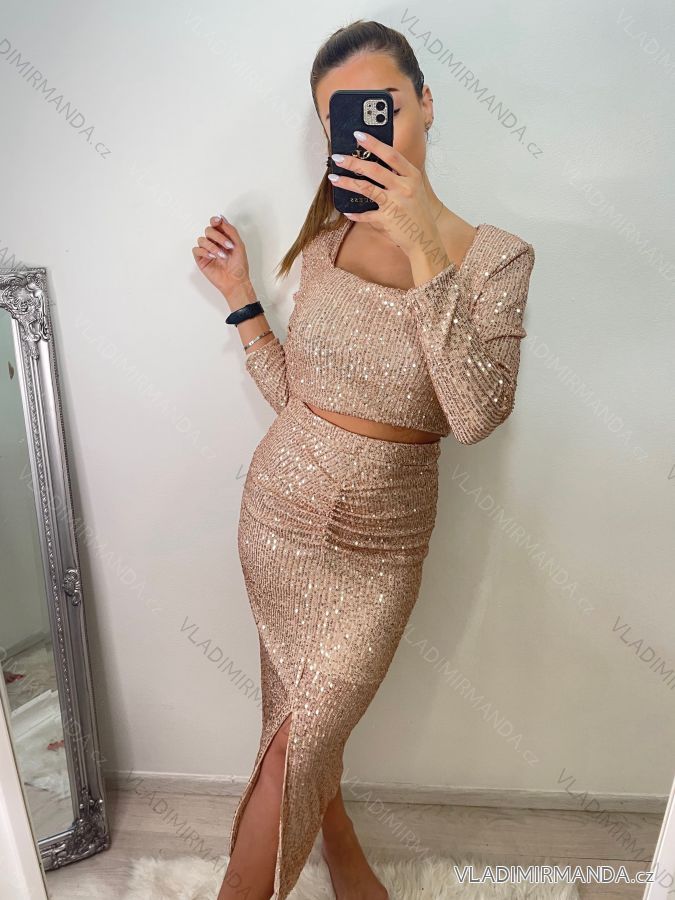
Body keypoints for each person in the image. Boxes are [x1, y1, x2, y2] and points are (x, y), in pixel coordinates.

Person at [192, 19, 535, 900]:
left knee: (301, 739)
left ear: (425, 104)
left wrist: (423, 245)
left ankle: (335, 861)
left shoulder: (495, 259)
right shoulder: (325, 245)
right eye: (338, 119)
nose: (367, 134)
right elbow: (302, 399)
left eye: (384, 109)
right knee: (294, 737)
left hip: (377, 551)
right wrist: (242, 300)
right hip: (274, 521)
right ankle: (345, 868)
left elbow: (475, 414)